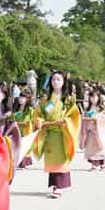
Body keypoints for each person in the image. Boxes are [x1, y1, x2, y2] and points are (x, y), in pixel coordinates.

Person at [33, 71, 81, 199]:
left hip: (62, 133)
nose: (55, 82)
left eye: (58, 79)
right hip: (50, 132)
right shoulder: (46, 99)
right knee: (52, 159)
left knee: (61, 158)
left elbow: (74, 115)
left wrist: (67, 121)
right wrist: (40, 121)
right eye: (53, 79)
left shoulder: (68, 100)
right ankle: (55, 185)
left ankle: (59, 186)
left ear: (63, 82)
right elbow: (38, 114)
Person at [79, 91, 105, 171]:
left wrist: (97, 119)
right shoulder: (87, 109)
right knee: (90, 149)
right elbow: (84, 117)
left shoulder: (103, 108)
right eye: (91, 97)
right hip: (90, 132)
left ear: (98, 98)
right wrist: (84, 119)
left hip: (99, 132)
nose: (93, 99)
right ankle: (93, 165)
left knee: (100, 148)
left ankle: (102, 164)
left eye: (95, 97)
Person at [14, 88, 36, 169]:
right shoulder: (18, 109)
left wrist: (21, 123)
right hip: (18, 131)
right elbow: (15, 118)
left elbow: (31, 121)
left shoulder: (30, 110)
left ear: (27, 99)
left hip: (26, 131)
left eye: (23, 98)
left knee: (25, 146)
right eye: (20, 97)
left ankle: (24, 162)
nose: (20, 99)